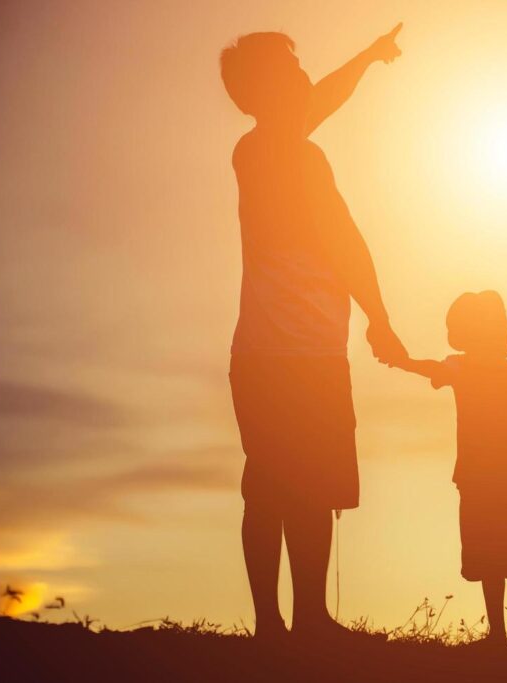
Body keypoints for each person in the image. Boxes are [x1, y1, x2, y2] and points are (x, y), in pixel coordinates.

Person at [219, 24, 407, 641]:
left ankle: (294, 623)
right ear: (262, 94)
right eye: (292, 73)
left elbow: (322, 97)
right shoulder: (293, 155)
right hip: (290, 357)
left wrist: (367, 57)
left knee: (292, 487)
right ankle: (292, 624)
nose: (305, 80)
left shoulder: (261, 146)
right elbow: (346, 244)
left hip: (290, 353)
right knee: (287, 488)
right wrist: (380, 319)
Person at [395, 291, 507, 644]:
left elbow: (431, 369)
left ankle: (503, 633)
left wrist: (401, 361)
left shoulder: (466, 368)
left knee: (498, 550)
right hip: (506, 470)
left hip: (487, 471)